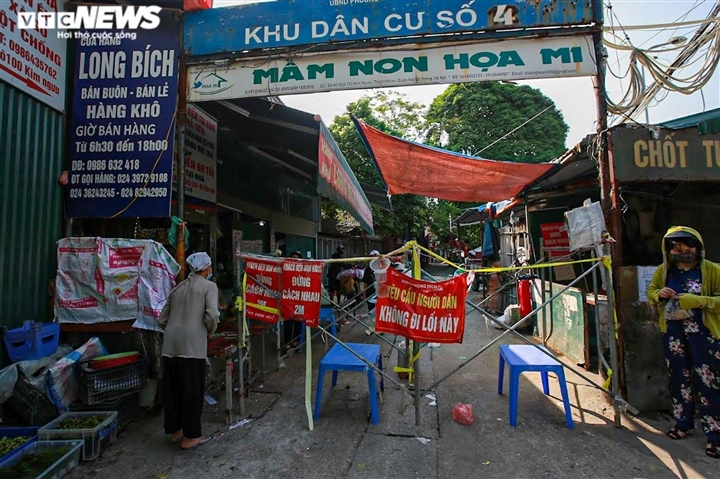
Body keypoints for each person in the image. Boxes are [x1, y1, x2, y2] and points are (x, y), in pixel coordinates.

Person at [646, 227, 720, 459]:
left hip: (703, 335)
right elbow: (650, 292)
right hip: (674, 335)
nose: (683, 251)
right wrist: (659, 294)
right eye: (676, 247)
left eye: (688, 247)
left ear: (698, 248)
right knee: (679, 380)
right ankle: (683, 423)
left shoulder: (712, 271)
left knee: (709, 384)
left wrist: (696, 301)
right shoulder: (665, 271)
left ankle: (715, 435)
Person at [158, 252, 219, 450]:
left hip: (170, 345)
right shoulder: (209, 287)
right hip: (192, 346)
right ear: (207, 268)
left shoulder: (178, 288)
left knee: (173, 389)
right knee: (192, 391)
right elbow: (212, 315)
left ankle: (176, 431)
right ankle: (191, 436)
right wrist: (209, 331)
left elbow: (162, 319)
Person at [284, 251, 303, 350]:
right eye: (293, 258)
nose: (294, 260)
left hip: (299, 300)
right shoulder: (286, 271)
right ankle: (287, 343)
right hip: (288, 301)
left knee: (298, 323)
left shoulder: (303, 272)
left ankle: (296, 342)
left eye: (297, 258)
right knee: (288, 323)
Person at [362, 250, 380, 315]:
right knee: (371, 309)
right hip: (370, 291)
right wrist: (364, 294)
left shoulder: (381, 267)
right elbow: (365, 283)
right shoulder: (368, 269)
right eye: (372, 257)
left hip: (380, 291)